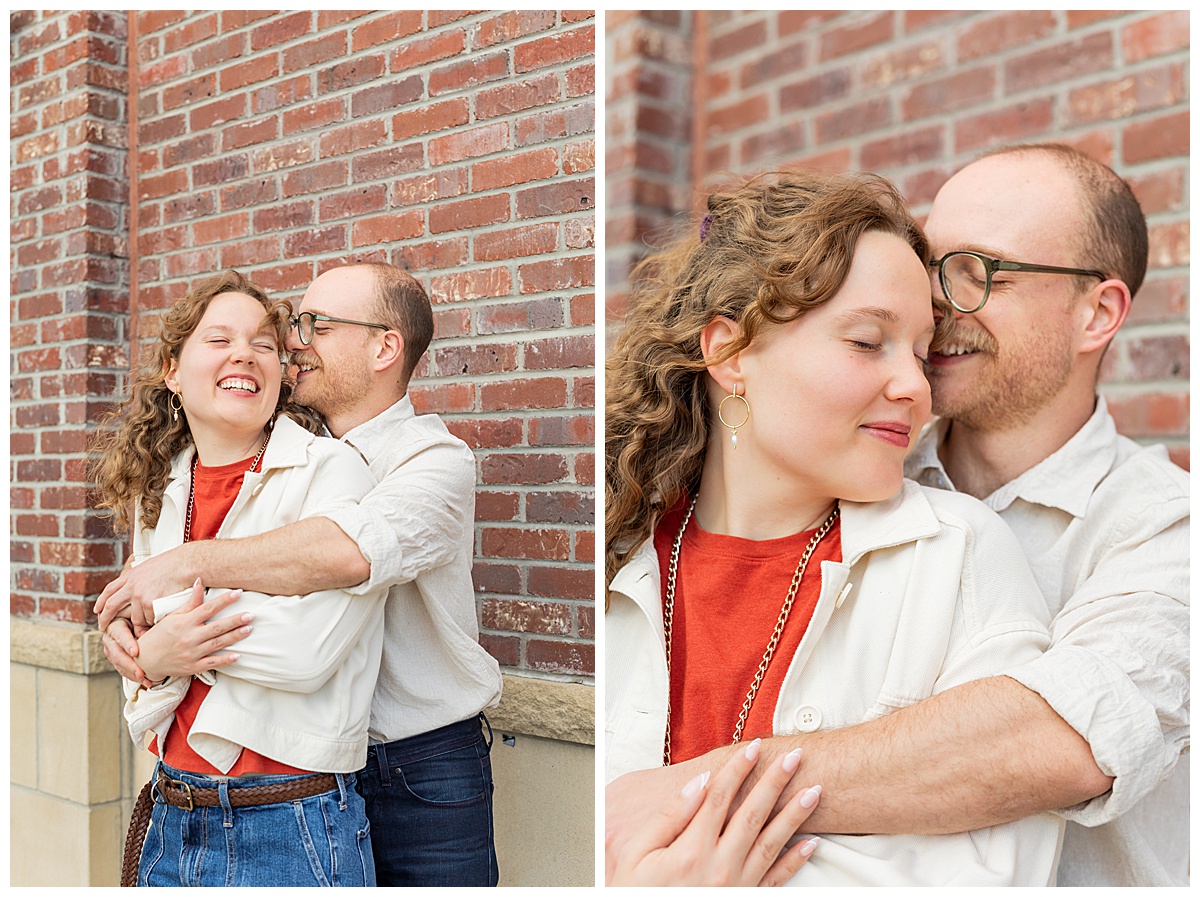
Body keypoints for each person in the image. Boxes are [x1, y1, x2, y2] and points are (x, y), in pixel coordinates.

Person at [606, 145, 1189, 887]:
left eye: (976, 271)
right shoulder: (846, 469)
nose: (941, 306)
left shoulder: (1161, 523)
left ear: (1096, 312)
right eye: (934, 265)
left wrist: (699, 793)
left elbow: (1066, 733)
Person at [95, 262, 504, 887]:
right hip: (291, 761)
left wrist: (175, 595)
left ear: (384, 346)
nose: (292, 342)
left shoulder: (433, 462)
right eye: (293, 324)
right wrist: (140, 647)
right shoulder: (256, 459)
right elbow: (144, 614)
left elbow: (343, 554)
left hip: (416, 764)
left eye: (315, 325)